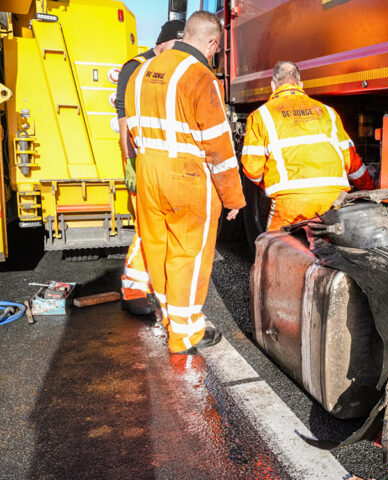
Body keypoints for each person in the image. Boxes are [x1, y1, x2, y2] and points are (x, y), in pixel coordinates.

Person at [124, 11, 245, 354]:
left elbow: (130, 124)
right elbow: (218, 144)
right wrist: (233, 197)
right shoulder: (200, 76)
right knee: (188, 254)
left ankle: (169, 318)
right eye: (216, 50)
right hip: (187, 174)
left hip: (148, 167)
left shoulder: (141, 70)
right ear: (212, 43)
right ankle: (186, 333)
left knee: (158, 247)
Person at [240, 61, 375, 231]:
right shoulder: (328, 112)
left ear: (273, 86)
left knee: (276, 250)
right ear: (301, 85)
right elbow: (352, 163)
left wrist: (275, 185)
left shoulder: (261, 116)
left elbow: (252, 169)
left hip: (290, 202)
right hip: (332, 200)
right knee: (331, 253)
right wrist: (370, 191)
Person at [115, 19, 185, 316]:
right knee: (147, 228)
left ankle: (156, 285)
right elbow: (123, 117)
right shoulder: (135, 67)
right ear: (162, 42)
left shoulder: (169, 67)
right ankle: (133, 292)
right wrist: (129, 160)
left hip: (163, 164)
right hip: (141, 159)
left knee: (161, 228)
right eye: (175, 47)